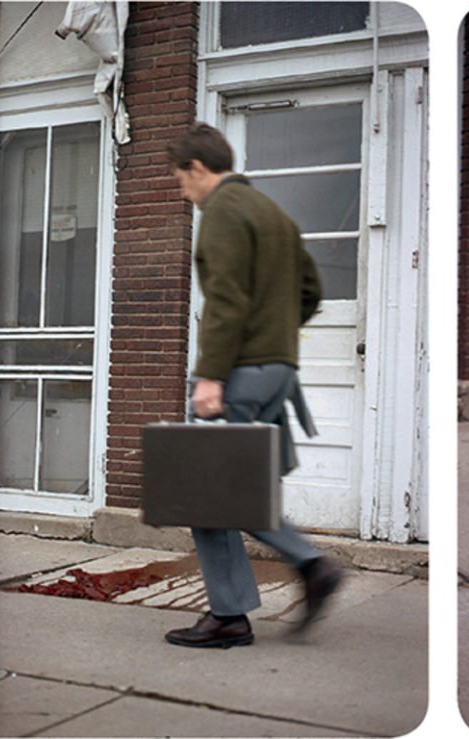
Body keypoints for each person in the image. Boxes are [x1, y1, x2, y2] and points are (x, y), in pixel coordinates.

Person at [162, 122, 342, 648]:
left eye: (180, 180)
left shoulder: (222, 212)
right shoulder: (274, 214)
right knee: (236, 484)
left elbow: (226, 299)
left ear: (198, 168)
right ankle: (238, 608)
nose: (183, 192)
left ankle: (280, 583)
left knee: (209, 487)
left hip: (237, 369)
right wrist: (277, 335)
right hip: (277, 370)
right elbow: (311, 290)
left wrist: (212, 375)